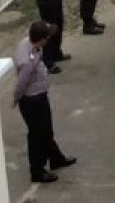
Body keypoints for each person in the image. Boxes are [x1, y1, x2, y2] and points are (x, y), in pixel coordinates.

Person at [14, 22, 76, 183]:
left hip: (38, 97)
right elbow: (21, 82)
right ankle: (37, 171)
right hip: (32, 100)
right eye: (47, 37)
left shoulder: (28, 43)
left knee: (46, 131)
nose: (48, 40)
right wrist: (16, 98)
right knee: (37, 135)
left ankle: (56, 158)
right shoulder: (29, 60)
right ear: (40, 40)